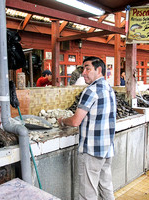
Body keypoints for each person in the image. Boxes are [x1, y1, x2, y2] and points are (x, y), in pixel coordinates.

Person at [58, 56, 117, 200]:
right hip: (107, 149)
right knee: (106, 188)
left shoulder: (91, 90)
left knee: (87, 193)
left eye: (87, 68)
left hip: (91, 151)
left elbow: (75, 121)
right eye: (83, 68)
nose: (83, 72)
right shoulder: (109, 88)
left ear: (99, 70)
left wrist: (62, 120)